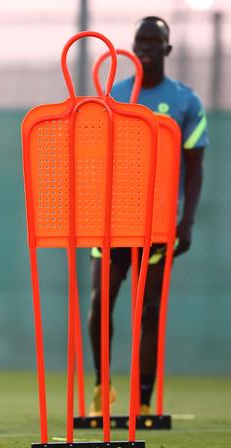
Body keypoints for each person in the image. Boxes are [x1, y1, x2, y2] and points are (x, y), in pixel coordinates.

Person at [87, 16, 208, 416]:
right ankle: (103, 388)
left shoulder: (185, 101)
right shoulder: (113, 95)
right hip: (110, 221)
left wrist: (185, 222)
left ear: (168, 49)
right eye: (142, 39)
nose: (148, 46)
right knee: (101, 303)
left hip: (157, 224)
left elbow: (195, 167)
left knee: (150, 310)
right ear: (133, 45)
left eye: (156, 40)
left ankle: (142, 400)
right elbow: (94, 158)